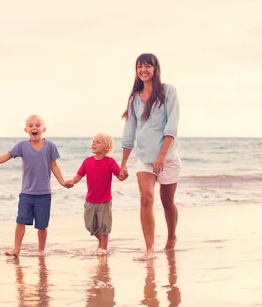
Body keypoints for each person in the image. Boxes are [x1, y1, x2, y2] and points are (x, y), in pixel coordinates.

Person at [0, 115, 71, 257]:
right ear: (26, 129)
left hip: (44, 193)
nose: (34, 128)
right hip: (26, 193)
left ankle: (41, 250)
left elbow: (54, 166)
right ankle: (16, 248)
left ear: (43, 129)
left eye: (38, 125)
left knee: (42, 225)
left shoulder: (50, 146)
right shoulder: (21, 146)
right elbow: (5, 157)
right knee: (20, 220)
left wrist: (62, 182)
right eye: (31, 125)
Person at [120, 53, 181, 259]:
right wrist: (123, 163)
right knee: (146, 198)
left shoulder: (168, 92)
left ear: (155, 69)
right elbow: (130, 130)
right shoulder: (134, 98)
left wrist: (163, 155)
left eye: (147, 66)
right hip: (144, 156)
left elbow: (171, 125)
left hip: (168, 156)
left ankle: (172, 236)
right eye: (139, 66)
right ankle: (150, 248)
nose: (143, 70)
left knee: (167, 202)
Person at [65, 133, 125, 253]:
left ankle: (103, 250)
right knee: (90, 226)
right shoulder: (87, 162)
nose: (94, 143)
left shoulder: (110, 162)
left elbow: (120, 177)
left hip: (105, 201)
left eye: (98, 142)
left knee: (104, 228)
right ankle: (101, 242)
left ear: (106, 147)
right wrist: (72, 182)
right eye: (93, 141)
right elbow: (79, 175)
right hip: (90, 201)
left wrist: (125, 175)